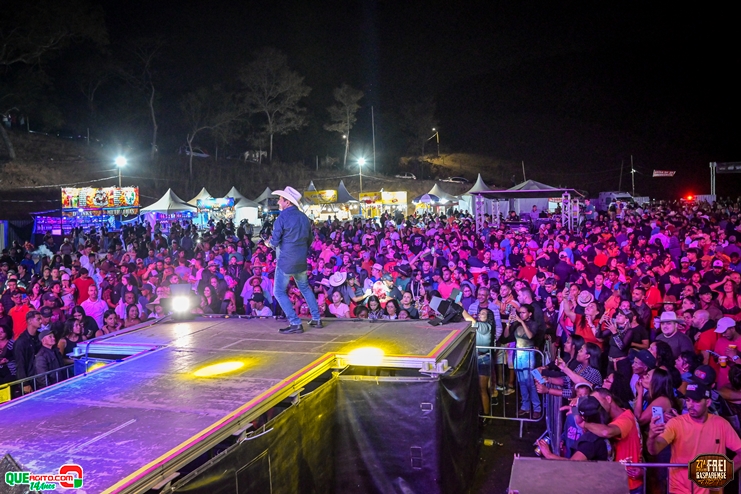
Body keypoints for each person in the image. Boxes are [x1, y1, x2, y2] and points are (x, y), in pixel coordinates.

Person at [648, 382, 741, 494]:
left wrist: (725, 473)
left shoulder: (721, 424)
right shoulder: (676, 423)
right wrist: (652, 437)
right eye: (688, 400)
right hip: (679, 490)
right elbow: (654, 450)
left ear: (708, 402)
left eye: (696, 401)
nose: (690, 405)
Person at [268, 187, 322, 334]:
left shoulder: (282, 218)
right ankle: (316, 318)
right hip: (301, 260)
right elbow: (310, 239)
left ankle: (295, 322)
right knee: (305, 288)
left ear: (287, 202)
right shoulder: (304, 217)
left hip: (286, 261)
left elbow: (274, 241)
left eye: (280, 199)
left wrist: (269, 243)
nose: (278, 201)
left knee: (279, 291)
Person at [536, 396, 610, 461]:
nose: (574, 414)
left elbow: (573, 463)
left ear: (582, 418)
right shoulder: (605, 425)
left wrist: (549, 455)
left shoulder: (590, 441)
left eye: (576, 412)